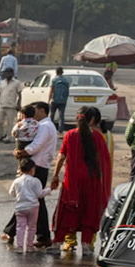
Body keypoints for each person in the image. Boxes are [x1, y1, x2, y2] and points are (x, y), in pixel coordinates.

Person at [52, 105, 114, 258]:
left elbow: (61, 156)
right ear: (92, 119)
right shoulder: (98, 137)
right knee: (89, 209)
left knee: (67, 210)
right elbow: (104, 160)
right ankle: (86, 245)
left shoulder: (70, 135)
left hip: (72, 179)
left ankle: (58, 242)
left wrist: (55, 176)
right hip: (91, 180)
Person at [4, 103, 57, 249]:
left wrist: (21, 152)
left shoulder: (45, 126)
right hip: (37, 164)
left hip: (37, 165)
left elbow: (36, 145)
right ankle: (12, 231)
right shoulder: (43, 125)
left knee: (32, 199)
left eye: (36, 111)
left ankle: (42, 236)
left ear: (42, 110)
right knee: (32, 199)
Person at [7, 153, 47, 255]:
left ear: (20, 170)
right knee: (32, 227)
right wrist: (49, 190)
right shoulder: (36, 181)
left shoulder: (16, 181)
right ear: (32, 170)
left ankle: (20, 247)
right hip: (33, 207)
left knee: (20, 227)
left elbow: (11, 193)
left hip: (20, 207)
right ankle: (29, 246)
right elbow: (39, 194)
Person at [0, 69, 24, 142]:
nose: (8, 75)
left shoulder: (16, 83)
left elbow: (19, 94)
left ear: (13, 74)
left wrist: (18, 104)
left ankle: (9, 137)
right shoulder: (2, 83)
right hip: (2, 105)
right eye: (7, 73)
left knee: (10, 123)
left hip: (11, 106)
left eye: (10, 73)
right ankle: (2, 134)